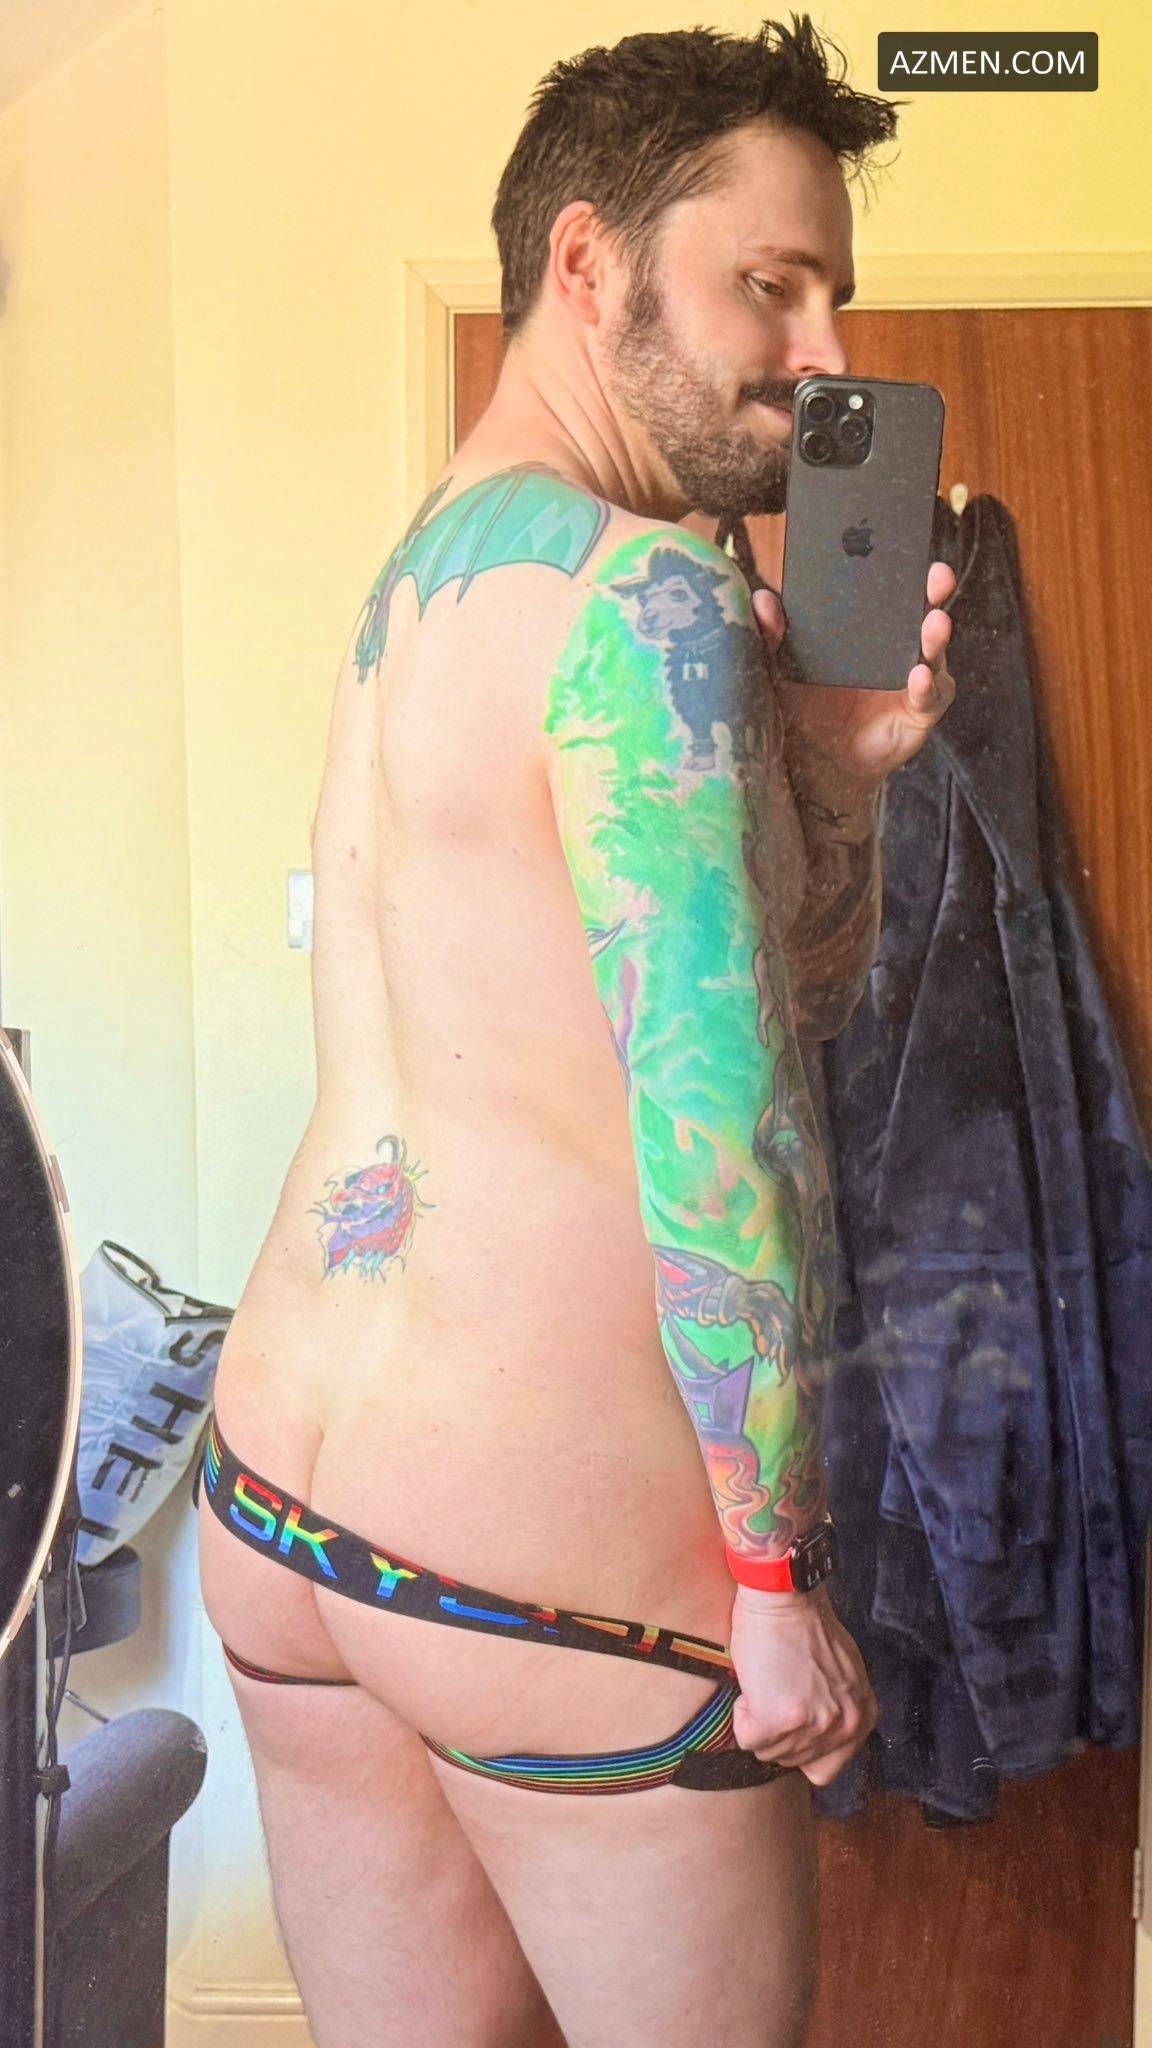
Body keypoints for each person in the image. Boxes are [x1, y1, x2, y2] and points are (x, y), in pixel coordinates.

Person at [196, 17, 956, 2046]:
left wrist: (837, 776)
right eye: (768, 283)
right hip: (555, 1563)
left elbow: (627, 997)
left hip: (286, 1498)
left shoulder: (428, 575)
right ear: (591, 259)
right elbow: (730, 1123)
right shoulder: (651, 601)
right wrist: (773, 1575)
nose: (817, 354)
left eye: (831, 298)